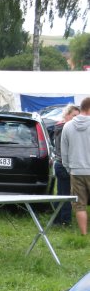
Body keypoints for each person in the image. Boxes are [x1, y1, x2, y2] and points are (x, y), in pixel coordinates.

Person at [61, 97, 90, 235]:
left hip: (76, 171)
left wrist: (69, 168)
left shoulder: (67, 126)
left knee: (80, 206)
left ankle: (84, 234)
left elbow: (64, 152)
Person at [52, 104, 80, 225]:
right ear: (67, 115)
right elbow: (65, 150)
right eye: (74, 115)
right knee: (65, 195)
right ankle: (64, 220)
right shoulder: (64, 128)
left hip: (61, 163)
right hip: (63, 164)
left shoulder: (61, 126)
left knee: (61, 194)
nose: (76, 118)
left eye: (78, 116)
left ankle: (58, 220)